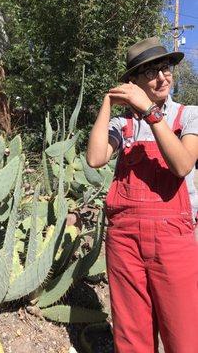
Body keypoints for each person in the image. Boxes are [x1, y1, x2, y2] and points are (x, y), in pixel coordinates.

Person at [86, 37, 198, 353]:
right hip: (124, 241)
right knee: (132, 333)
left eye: (164, 68)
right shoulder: (122, 125)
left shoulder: (188, 116)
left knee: (183, 332)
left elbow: (181, 164)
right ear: (133, 82)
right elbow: (95, 158)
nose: (161, 77)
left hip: (174, 238)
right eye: (150, 73)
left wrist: (150, 112)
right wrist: (107, 103)